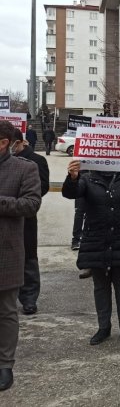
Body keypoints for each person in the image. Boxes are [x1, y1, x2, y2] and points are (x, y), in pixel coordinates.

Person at [62, 160, 120, 345]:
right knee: (100, 287)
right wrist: (72, 178)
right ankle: (104, 327)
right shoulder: (87, 179)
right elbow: (71, 193)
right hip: (97, 241)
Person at [0, 120, 42, 391]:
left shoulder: (26, 168)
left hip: (6, 251)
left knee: (5, 312)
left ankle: (5, 365)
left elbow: (31, 204)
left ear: (4, 142)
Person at [11, 129, 49, 315]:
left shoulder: (36, 161)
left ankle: (29, 298)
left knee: (28, 259)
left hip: (25, 217)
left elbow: (42, 188)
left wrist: (20, 197)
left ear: (20, 142)